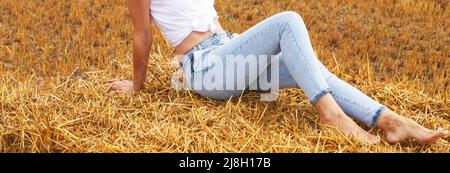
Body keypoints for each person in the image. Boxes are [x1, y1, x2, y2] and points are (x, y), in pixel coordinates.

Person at [107, 0, 448, 144]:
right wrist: (138, 87)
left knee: (310, 67)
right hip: (205, 68)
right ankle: (330, 115)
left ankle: (391, 122)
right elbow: (142, 35)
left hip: (228, 53)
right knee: (288, 20)